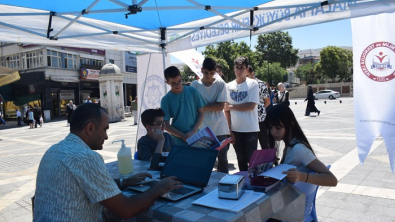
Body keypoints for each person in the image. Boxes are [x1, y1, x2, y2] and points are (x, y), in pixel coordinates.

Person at [34, 103, 182, 221]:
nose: (106, 137)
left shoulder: (53, 150)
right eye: (105, 129)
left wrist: (124, 182)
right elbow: (126, 210)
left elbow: (86, 186)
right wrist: (158, 188)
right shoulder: (86, 158)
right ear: (90, 128)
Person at [265, 104, 337, 220]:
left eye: (278, 128)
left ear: (291, 125)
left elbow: (332, 180)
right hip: (292, 204)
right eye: (270, 127)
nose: (273, 132)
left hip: (293, 210)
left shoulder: (298, 149)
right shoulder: (289, 145)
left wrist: (301, 176)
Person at [191, 58, 231, 173]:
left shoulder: (220, 84)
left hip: (219, 128)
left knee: (222, 159)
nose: (208, 76)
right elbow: (193, 106)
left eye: (212, 73)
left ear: (216, 72)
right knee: (203, 159)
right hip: (202, 129)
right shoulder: (195, 85)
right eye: (206, 72)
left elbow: (220, 106)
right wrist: (209, 106)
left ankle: (224, 183)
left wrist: (201, 107)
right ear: (202, 70)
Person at [224, 56, 260, 171]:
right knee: (240, 159)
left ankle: (254, 183)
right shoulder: (228, 86)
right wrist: (229, 130)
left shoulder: (253, 84)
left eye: (242, 68)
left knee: (252, 160)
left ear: (247, 69)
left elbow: (251, 106)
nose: (239, 71)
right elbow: (226, 110)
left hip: (251, 129)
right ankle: (243, 182)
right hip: (235, 130)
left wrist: (232, 106)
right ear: (234, 69)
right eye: (237, 68)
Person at [161, 66, 206, 145]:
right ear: (167, 82)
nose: (178, 85)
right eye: (173, 83)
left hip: (196, 137)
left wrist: (193, 131)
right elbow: (165, 125)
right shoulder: (166, 100)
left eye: (179, 81)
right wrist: (183, 136)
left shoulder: (193, 91)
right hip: (177, 141)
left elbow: (202, 112)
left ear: (181, 77)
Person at [246, 65, 271, 149]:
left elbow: (267, 101)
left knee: (264, 143)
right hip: (248, 119)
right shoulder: (243, 84)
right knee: (251, 145)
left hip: (260, 119)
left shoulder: (261, 84)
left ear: (252, 73)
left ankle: (268, 160)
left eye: (247, 75)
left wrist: (261, 110)